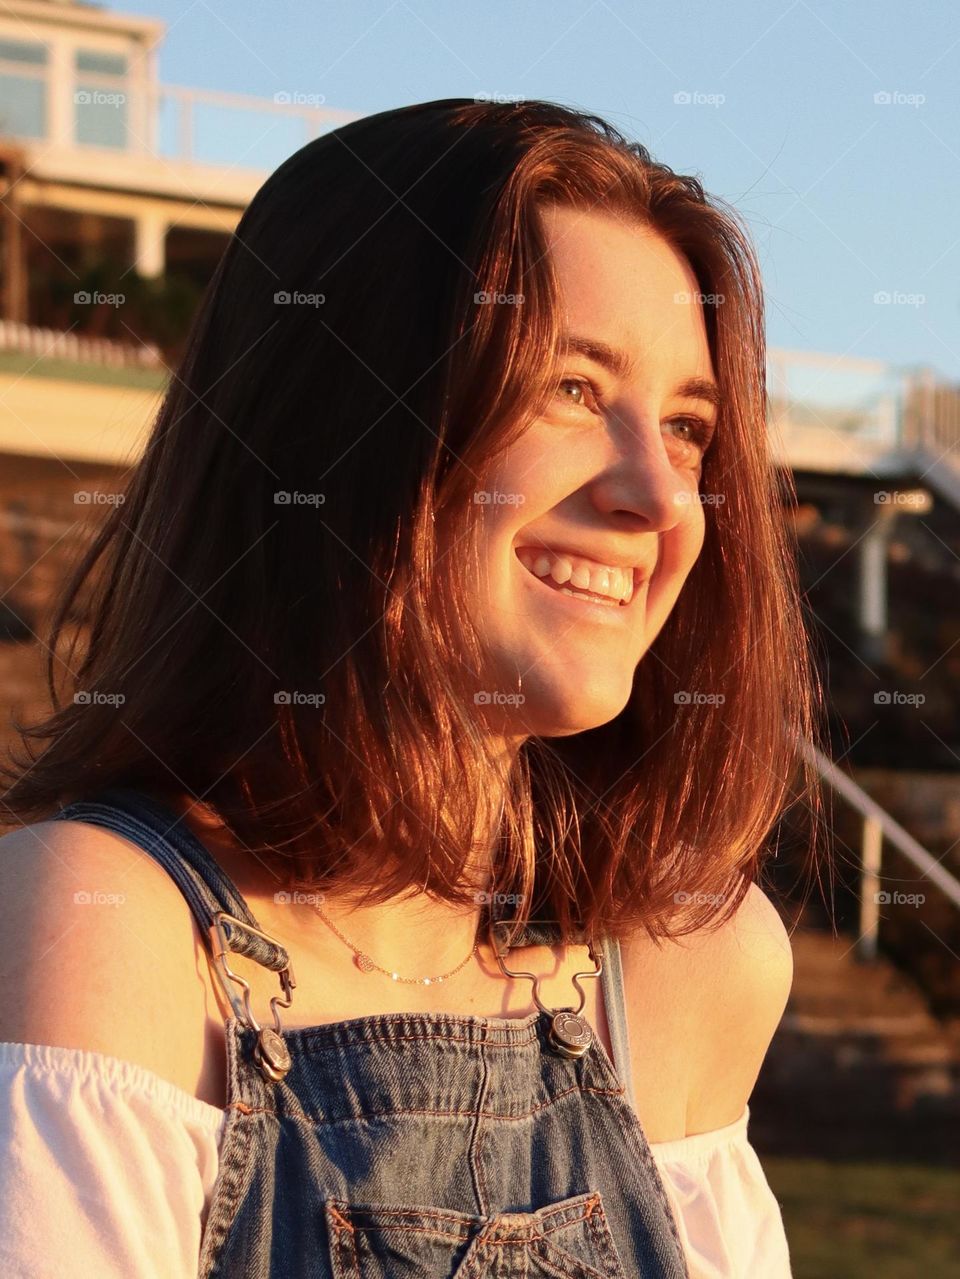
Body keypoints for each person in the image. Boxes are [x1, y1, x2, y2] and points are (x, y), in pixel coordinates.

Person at [0, 98, 821, 1277]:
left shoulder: (696, 961)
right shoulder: (110, 928)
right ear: (338, 424)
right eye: (572, 389)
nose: (662, 494)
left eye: (688, 426)